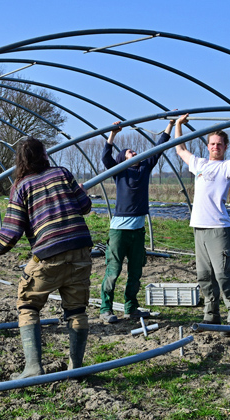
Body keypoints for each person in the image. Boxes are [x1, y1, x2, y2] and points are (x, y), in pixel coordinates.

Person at [0, 136, 93, 379]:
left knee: (28, 304)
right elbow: (85, 207)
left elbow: (11, 232)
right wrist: (80, 192)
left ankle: (32, 368)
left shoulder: (21, 187)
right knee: (76, 310)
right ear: (44, 155)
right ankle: (77, 369)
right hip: (81, 250)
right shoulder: (63, 173)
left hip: (49, 253)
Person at [173, 113, 230, 335]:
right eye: (212, 144)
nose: (216, 147)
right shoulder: (200, 164)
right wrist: (177, 125)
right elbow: (180, 149)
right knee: (204, 275)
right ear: (208, 146)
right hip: (199, 228)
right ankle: (211, 314)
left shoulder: (225, 168)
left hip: (219, 229)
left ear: (224, 147)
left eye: (220, 145)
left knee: (224, 273)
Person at [99, 119, 173, 324]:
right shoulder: (120, 171)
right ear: (123, 158)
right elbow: (105, 157)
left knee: (135, 272)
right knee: (113, 271)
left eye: (135, 152)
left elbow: (159, 148)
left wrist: (171, 125)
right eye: (131, 152)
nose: (135, 153)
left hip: (138, 231)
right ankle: (106, 308)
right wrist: (113, 133)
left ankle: (131, 308)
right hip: (119, 232)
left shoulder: (144, 170)